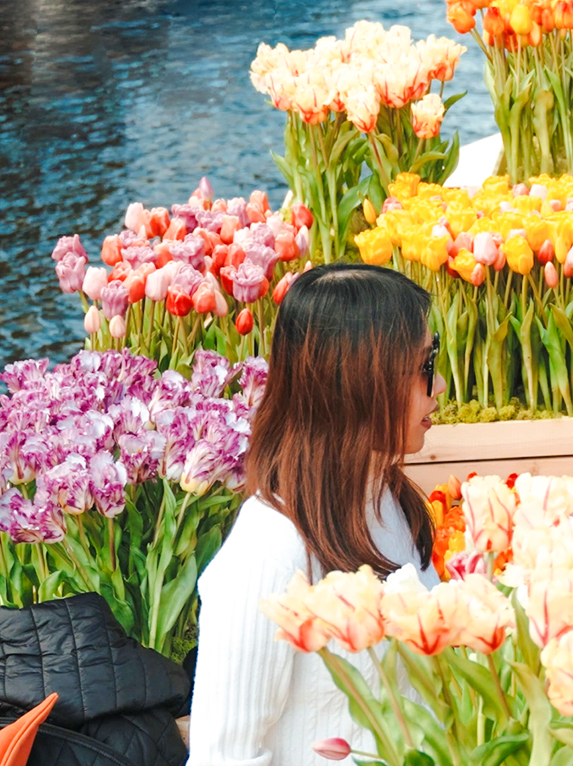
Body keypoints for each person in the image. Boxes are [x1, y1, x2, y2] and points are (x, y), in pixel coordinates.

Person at [187, 263, 446, 766]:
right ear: (358, 382)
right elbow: (225, 758)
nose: (437, 389)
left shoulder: (389, 501)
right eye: (423, 366)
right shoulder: (269, 553)